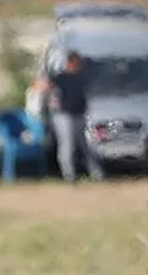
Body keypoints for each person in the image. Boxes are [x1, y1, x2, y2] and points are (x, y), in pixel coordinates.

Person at [39, 51, 104, 183]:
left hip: (79, 114)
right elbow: (44, 87)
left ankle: (96, 174)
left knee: (85, 145)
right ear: (71, 63)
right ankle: (69, 175)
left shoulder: (81, 77)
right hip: (64, 115)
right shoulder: (60, 77)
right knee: (67, 145)